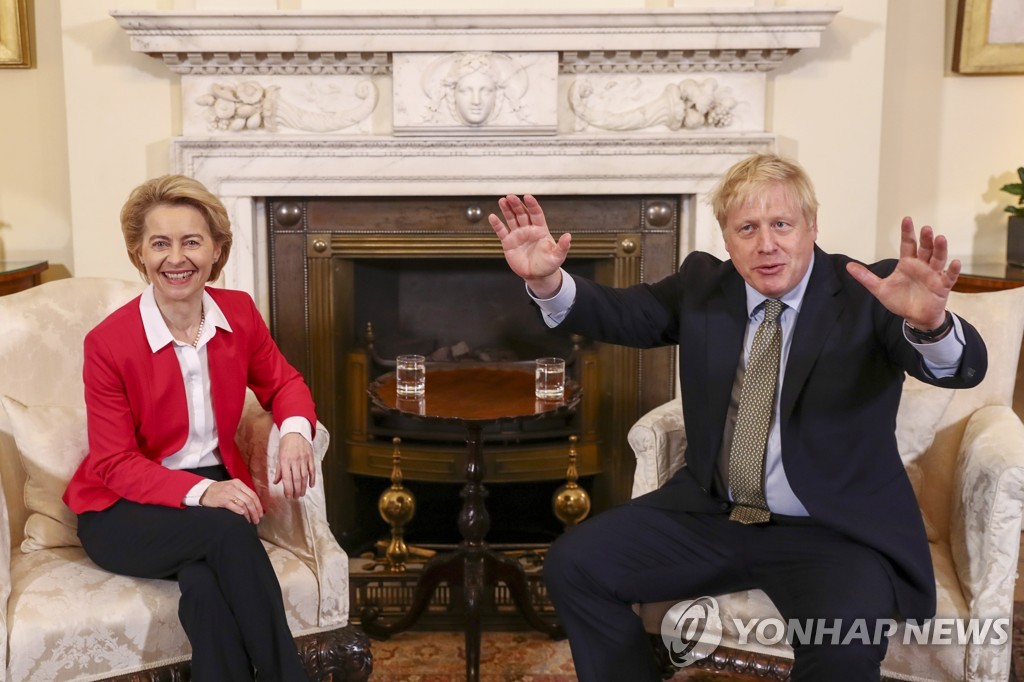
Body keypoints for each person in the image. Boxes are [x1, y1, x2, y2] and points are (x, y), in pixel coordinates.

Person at [487, 153, 987, 682]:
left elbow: (959, 369)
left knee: (841, 651)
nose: (766, 244)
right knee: (575, 565)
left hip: (834, 531)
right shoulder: (705, 285)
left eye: (781, 225)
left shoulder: (869, 292)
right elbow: (624, 314)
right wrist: (548, 281)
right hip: (713, 514)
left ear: (811, 227)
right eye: (747, 228)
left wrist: (931, 325)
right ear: (726, 238)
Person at [63, 175, 317, 682]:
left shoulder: (239, 314)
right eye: (160, 243)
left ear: (216, 249)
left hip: (209, 513)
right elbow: (113, 464)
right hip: (121, 513)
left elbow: (285, 383)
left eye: (191, 241)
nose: (175, 258)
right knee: (226, 530)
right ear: (139, 253)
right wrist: (206, 491)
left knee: (204, 588)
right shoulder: (109, 344)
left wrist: (293, 431)